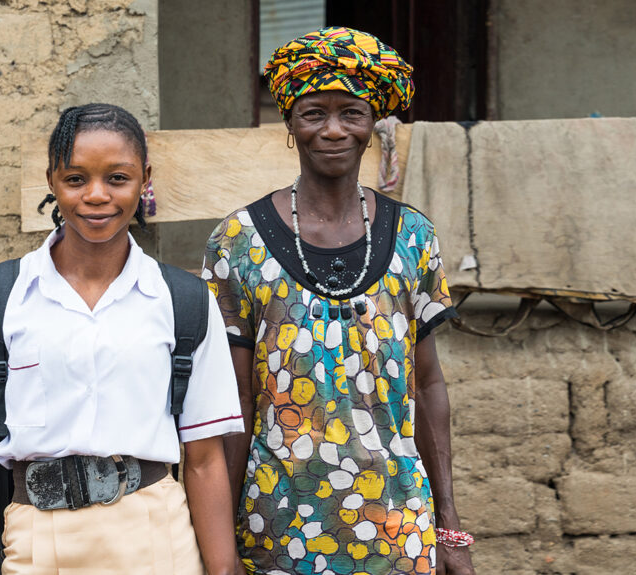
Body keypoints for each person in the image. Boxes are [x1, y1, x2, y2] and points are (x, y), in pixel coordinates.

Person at [203, 28, 476, 575]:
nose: (333, 130)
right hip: (277, 529)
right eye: (313, 114)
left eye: (351, 113)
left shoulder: (413, 238)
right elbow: (231, 402)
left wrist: (448, 526)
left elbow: (428, 385)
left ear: (373, 124)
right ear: (289, 124)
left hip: (398, 531)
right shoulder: (239, 241)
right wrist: (221, 546)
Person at [0, 103, 245, 575]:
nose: (96, 195)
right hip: (37, 540)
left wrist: (224, 570)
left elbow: (203, 459)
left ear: (144, 179)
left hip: (157, 538)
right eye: (76, 178)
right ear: (51, 180)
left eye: (117, 178)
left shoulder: (183, 301)